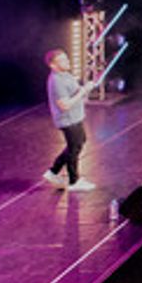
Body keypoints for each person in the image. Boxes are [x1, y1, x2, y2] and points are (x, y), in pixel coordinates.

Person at [43, 48, 96, 192]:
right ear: (53, 65)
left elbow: (75, 91)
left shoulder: (65, 75)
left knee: (79, 142)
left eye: (66, 58)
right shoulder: (56, 81)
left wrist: (85, 88)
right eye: (62, 60)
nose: (67, 61)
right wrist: (84, 91)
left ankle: (53, 172)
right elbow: (64, 105)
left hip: (75, 117)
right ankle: (74, 181)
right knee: (74, 148)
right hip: (68, 120)